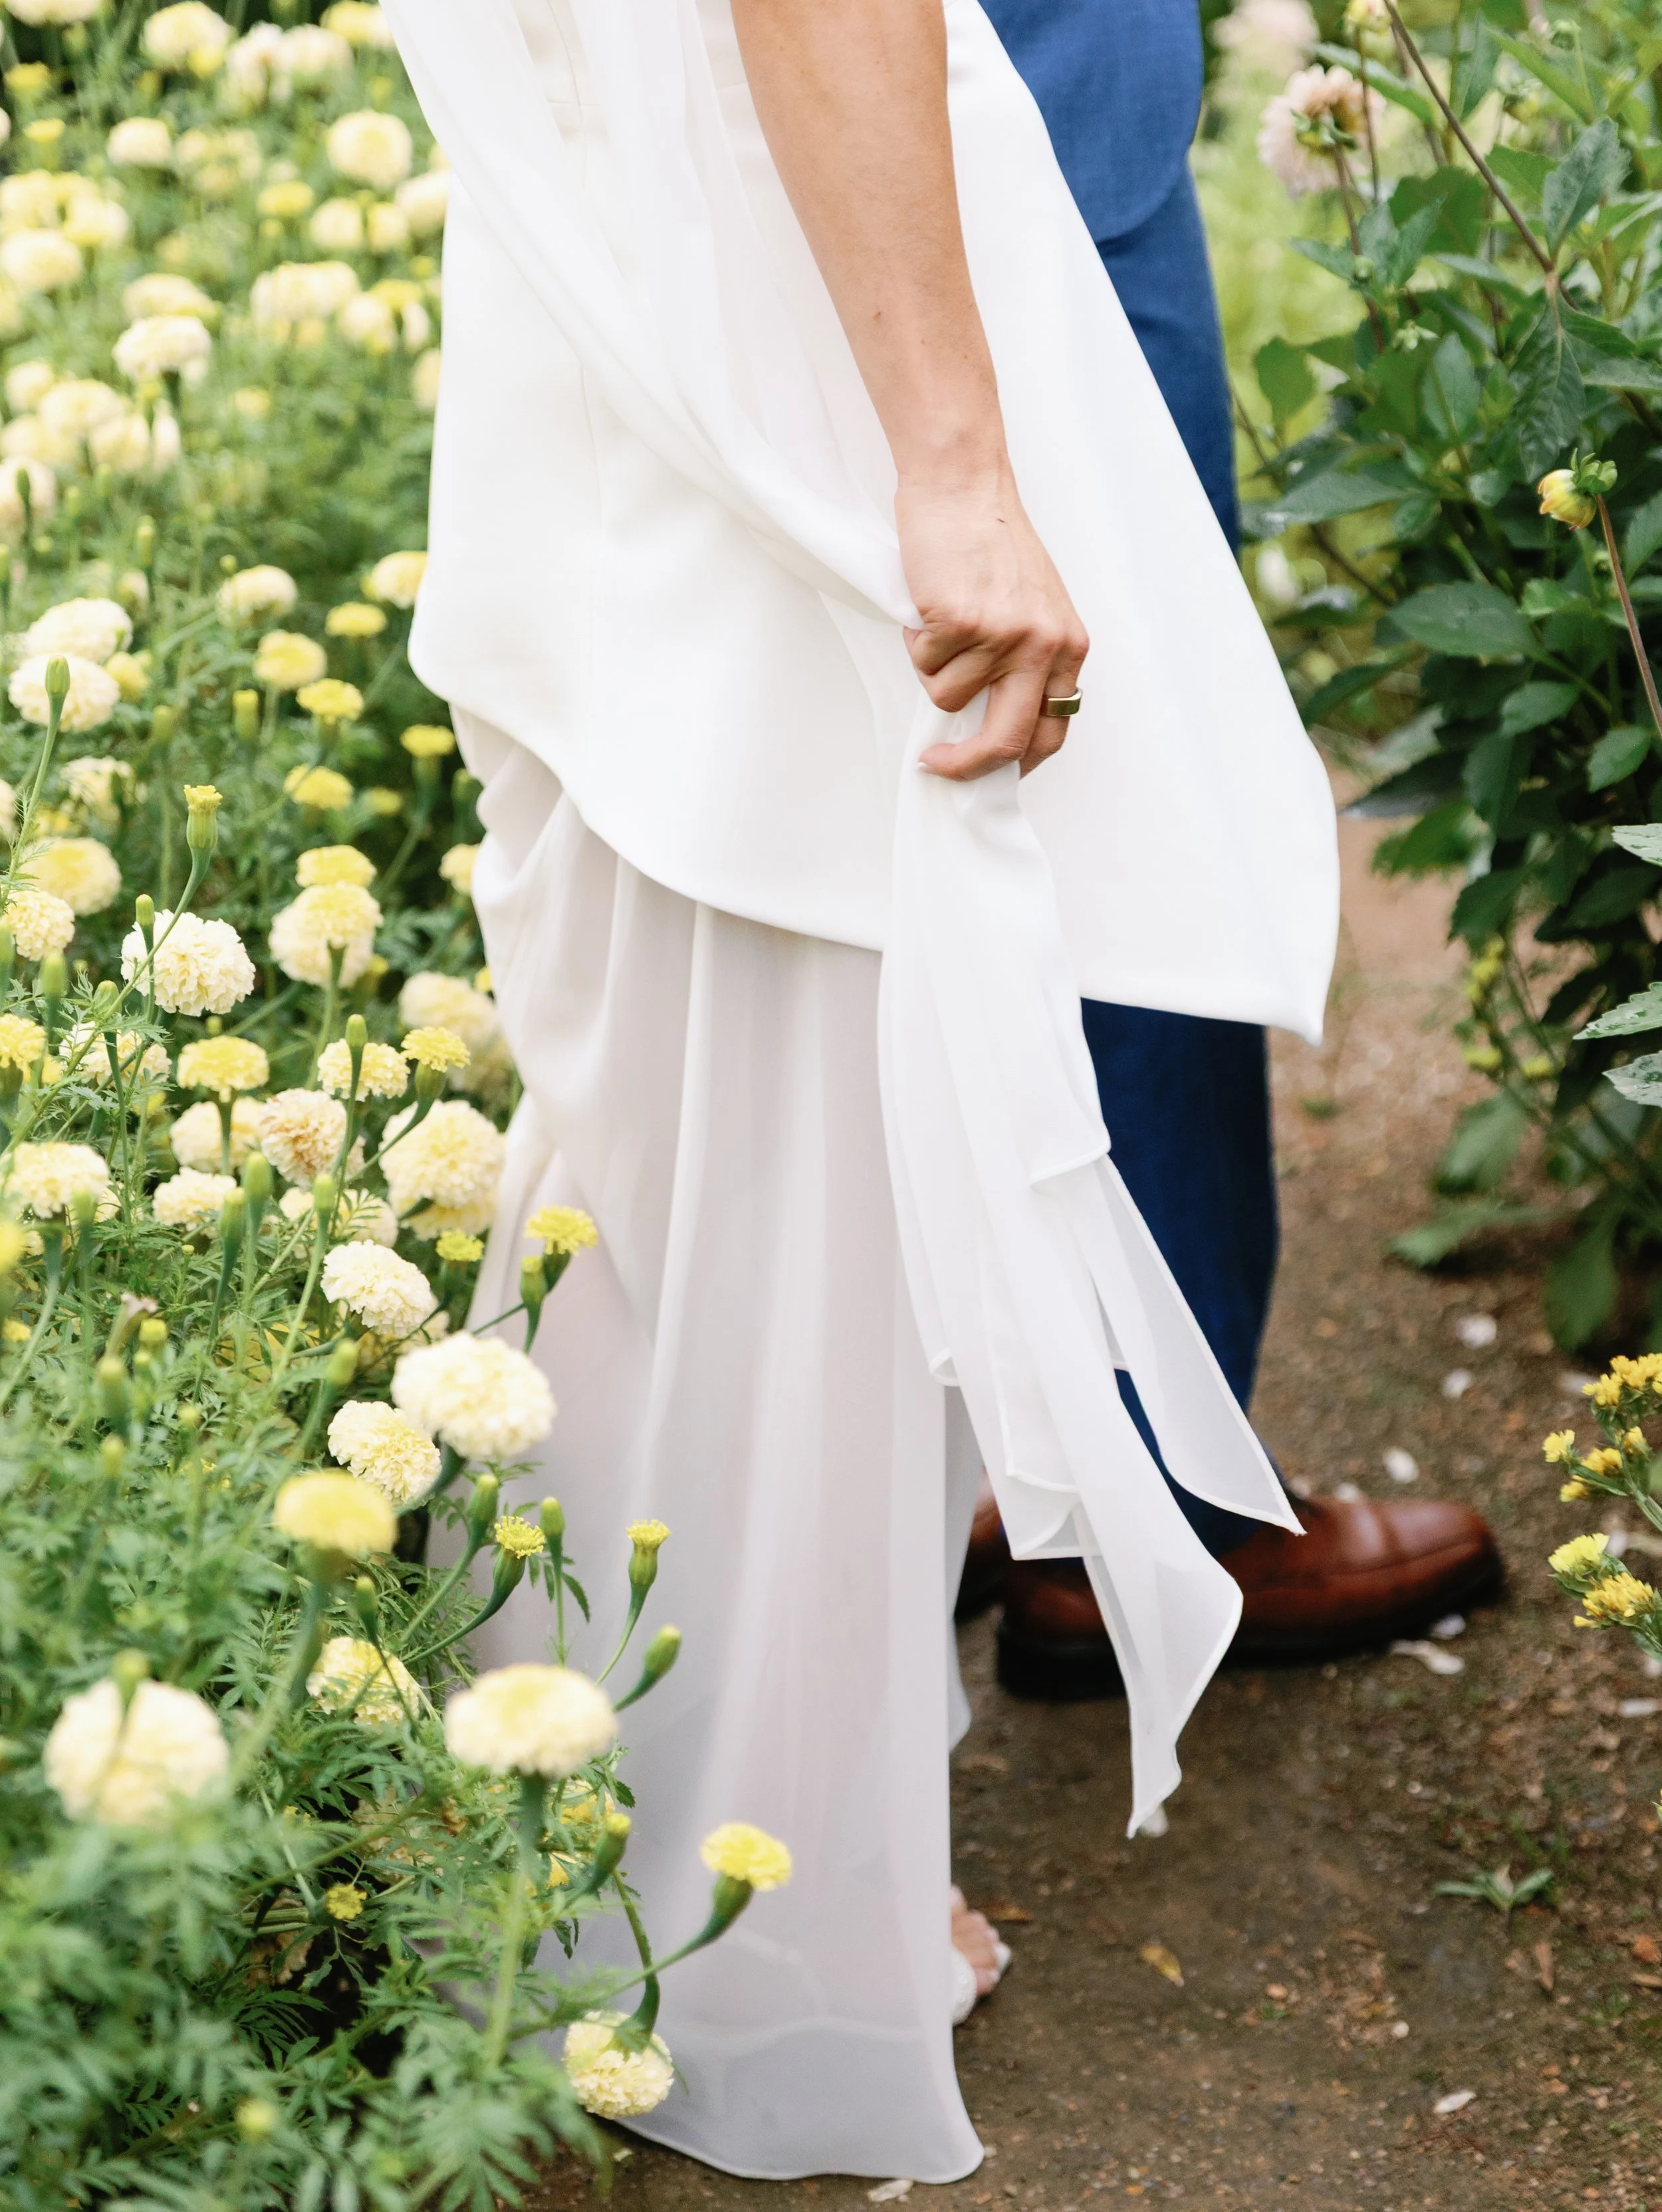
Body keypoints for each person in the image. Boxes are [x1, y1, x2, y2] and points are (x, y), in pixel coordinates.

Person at [386, 0, 1337, 2181]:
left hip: (628, 247)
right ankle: (759, 1903)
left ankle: (610, 1802)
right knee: (803, 1078)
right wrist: (950, 457)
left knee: (672, 1081)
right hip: (778, 282)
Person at [964, 0, 1502, 1695]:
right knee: (1125, 786)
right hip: (1002, 120)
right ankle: (1146, 1499)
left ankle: (983, 1446)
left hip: (732, 181)